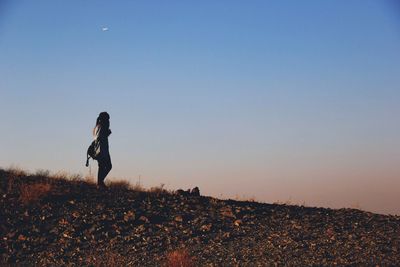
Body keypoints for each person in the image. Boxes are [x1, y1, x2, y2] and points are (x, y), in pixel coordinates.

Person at [93, 112, 112, 188]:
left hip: (99, 150)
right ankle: (100, 183)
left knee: (102, 166)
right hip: (102, 150)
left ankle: (100, 183)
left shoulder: (97, 126)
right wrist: (107, 133)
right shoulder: (102, 127)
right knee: (107, 166)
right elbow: (101, 138)